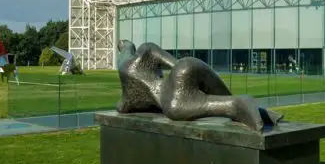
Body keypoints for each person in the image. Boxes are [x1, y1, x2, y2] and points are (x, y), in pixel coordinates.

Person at [115, 40, 282, 131]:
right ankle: (258, 111)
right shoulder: (146, 49)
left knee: (175, 107)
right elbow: (175, 63)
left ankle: (237, 104)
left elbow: (122, 107)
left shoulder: (126, 82)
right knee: (214, 93)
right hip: (186, 66)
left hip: (174, 97)